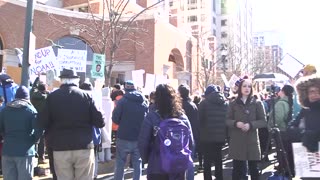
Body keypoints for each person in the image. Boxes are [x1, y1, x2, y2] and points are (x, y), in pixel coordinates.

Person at [40, 68, 105, 180]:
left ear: (61, 80)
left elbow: (43, 122)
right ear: (76, 80)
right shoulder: (87, 96)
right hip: (84, 146)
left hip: (60, 147)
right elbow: (100, 122)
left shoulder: (52, 97)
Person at [138, 84, 194, 180]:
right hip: (178, 165)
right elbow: (191, 142)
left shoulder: (151, 117)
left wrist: (147, 159)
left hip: (157, 165)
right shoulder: (182, 117)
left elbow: (143, 142)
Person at [226, 78, 267, 180]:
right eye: (244, 86)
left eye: (249, 86)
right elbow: (227, 120)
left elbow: (263, 121)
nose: (246, 88)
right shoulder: (233, 103)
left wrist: (251, 125)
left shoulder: (257, 103)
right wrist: (236, 123)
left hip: (252, 140)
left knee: (254, 169)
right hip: (237, 140)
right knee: (237, 170)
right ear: (240, 88)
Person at [0, 86, 43, 180]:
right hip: (25, 151)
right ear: (27, 97)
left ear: (16, 96)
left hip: (8, 150)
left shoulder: (5, 110)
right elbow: (39, 130)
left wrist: (6, 137)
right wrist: (33, 140)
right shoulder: (31, 110)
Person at [112, 80, 148, 180]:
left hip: (123, 136)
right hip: (138, 136)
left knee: (120, 162)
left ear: (125, 89)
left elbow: (115, 119)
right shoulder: (144, 101)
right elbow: (147, 119)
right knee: (137, 163)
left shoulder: (122, 101)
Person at [199, 84, 228, 180]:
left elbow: (200, 120)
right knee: (218, 160)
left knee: (207, 162)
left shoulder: (204, 103)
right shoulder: (224, 103)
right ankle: (219, 178)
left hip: (207, 137)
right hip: (220, 137)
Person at [269, 85, 295, 177]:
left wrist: (270, 126)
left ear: (283, 91)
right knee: (287, 152)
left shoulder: (281, 103)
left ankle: (284, 169)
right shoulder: (290, 102)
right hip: (287, 131)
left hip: (280, 132)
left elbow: (277, 119)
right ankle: (288, 169)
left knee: (282, 152)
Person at [79, 81, 102, 180]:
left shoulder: (76, 102)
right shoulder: (95, 101)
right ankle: (94, 175)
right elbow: (100, 121)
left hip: (80, 136)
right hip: (94, 135)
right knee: (94, 157)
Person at [178, 84, 198, 180]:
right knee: (190, 161)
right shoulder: (193, 105)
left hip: (180, 136)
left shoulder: (178, 106)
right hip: (191, 135)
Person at [295, 75, 320, 153]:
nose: (315, 95)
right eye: (312, 92)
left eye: (318, 91)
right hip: (308, 158)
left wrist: (313, 136)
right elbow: (291, 128)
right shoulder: (305, 110)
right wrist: (303, 134)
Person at [30, 77, 49, 165]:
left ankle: (34, 155)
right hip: (42, 120)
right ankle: (41, 157)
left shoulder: (33, 95)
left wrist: (37, 78)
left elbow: (33, 88)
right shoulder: (46, 97)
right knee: (41, 139)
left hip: (33, 119)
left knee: (33, 138)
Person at [99, 86, 114, 163]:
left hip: (102, 122)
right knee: (108, 140)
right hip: (109, 122)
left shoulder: (99, 101)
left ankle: (101, 158)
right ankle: (108, 157)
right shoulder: (111, 102)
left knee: (102, 140)